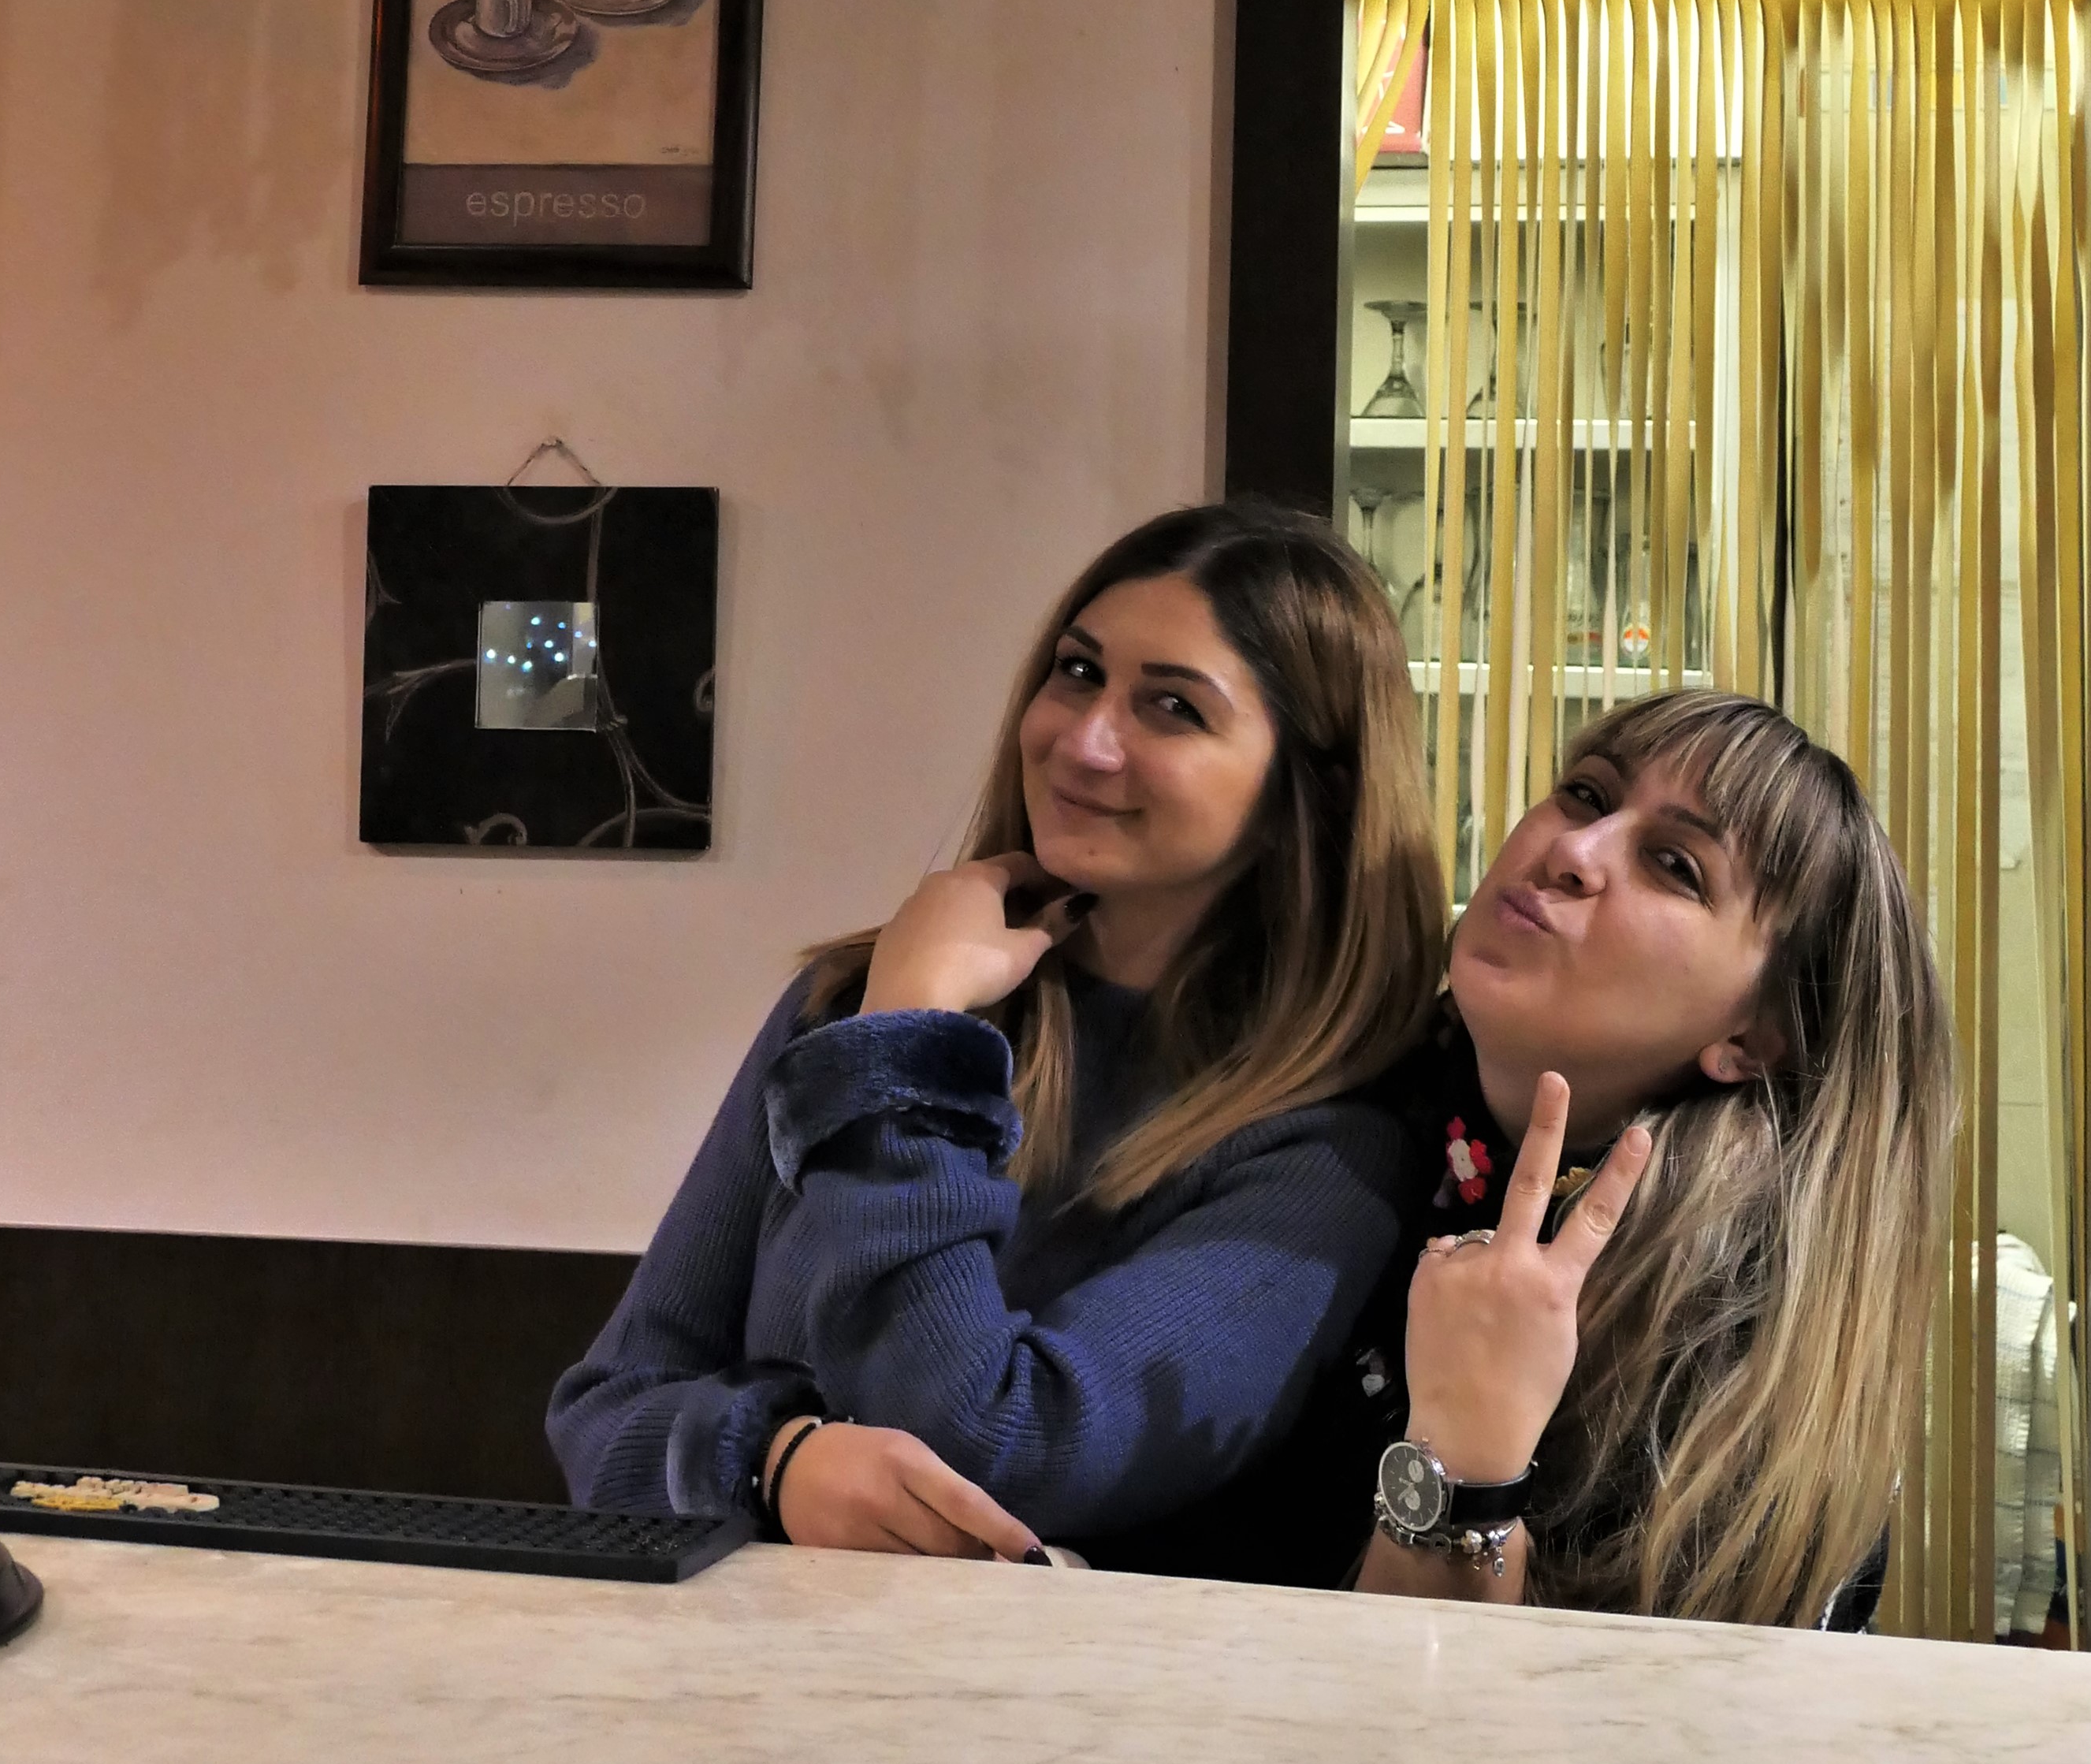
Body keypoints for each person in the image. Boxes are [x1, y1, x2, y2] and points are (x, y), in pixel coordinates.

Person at [549, 501, 1446, 1565]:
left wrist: (910, 1044)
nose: (1083, 740)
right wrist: (772, 1461)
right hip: (743, 1660)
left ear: (1307, 791)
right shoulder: (855, 1001)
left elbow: (989, 1443)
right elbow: (604, 1413)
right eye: (1077, 672)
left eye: (1171, 706)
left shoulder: (1328, 1143)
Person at [1280, 692, 1953, 1623]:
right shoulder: (1332, 1114)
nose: (1574, 849)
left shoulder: (1734, 1341)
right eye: (1587, 793)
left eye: (1675, 864)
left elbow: (1472, 1712)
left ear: (1754, 1037)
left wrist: (1471, 1451)